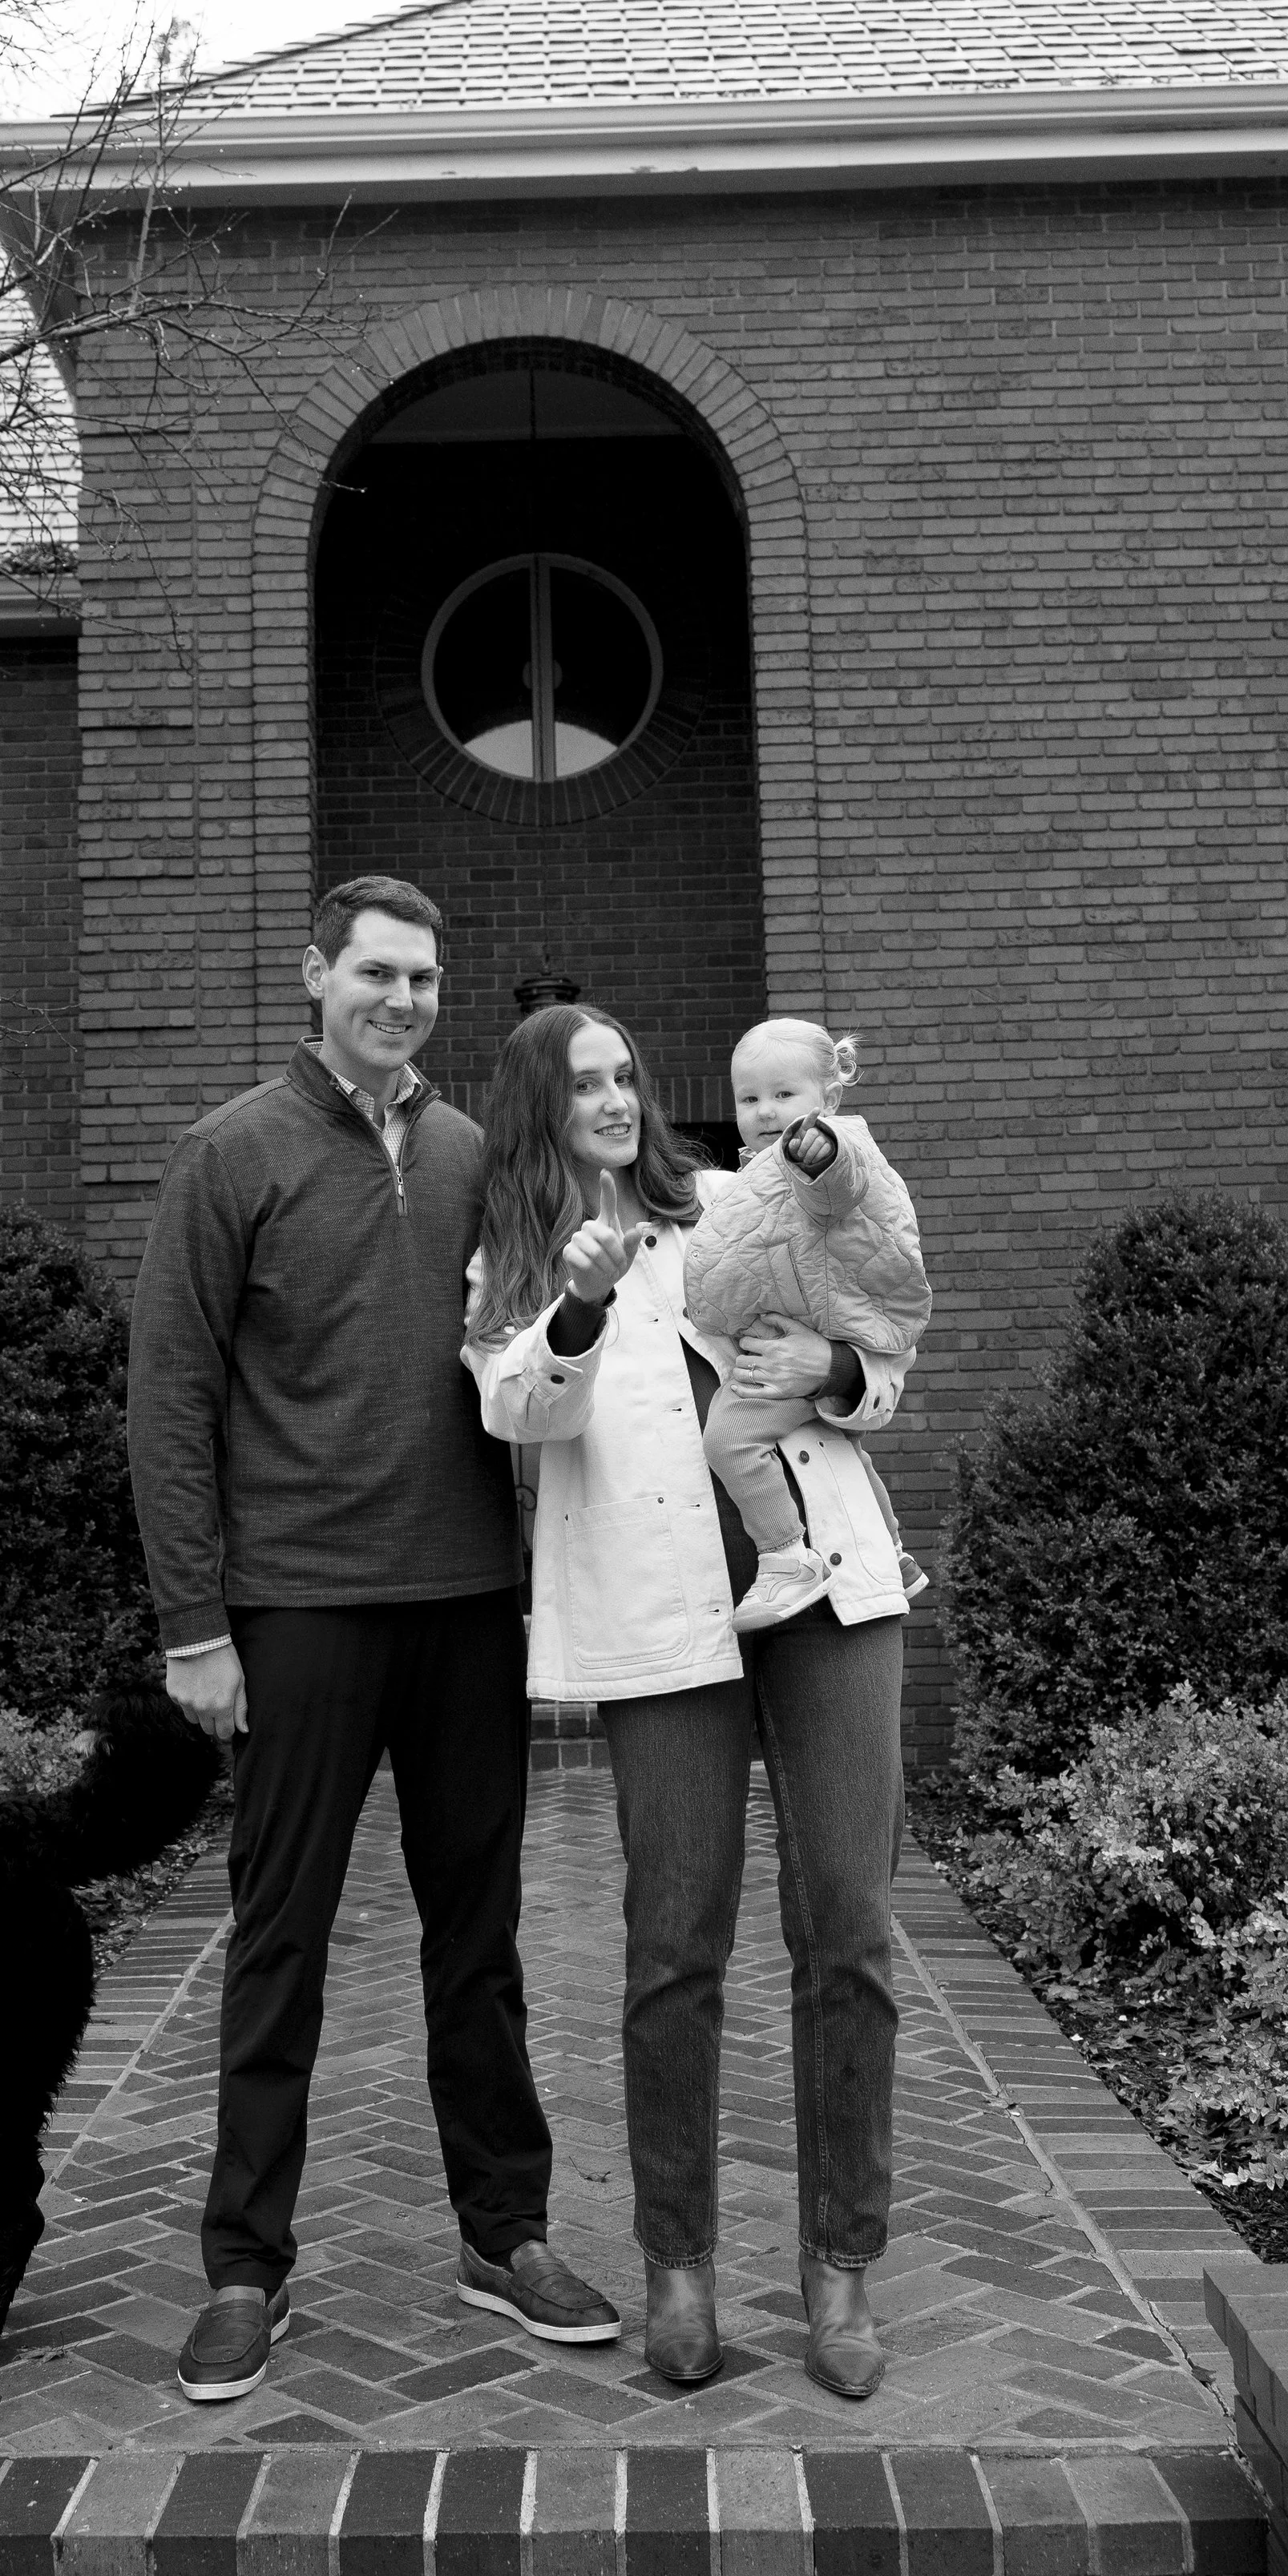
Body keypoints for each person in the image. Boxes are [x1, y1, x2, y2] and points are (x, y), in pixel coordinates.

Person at [128, 875, 618, 2405]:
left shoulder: (475, 1153)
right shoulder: (233, 1153)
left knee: (478, 1942)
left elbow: (556, 1325)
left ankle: (506, 2230)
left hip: (468, 1601)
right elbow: (171, 1401)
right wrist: (195, 1625)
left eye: (424, 978)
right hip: (299, 1614)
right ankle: (243, 2265)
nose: (402, 1001)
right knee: (279, 1942)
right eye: (377, 975)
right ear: (316, 978)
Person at [463, 1003, 913, 2400]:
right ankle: (679, 2267)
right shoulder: (512, 1265)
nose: (612, 1098)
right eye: (583, 1083)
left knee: (847, 1928)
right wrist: (583, 1299)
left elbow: (880, 1334)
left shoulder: (736, 1197)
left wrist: (837, 1374)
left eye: (626, 1076)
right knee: (674, 1950)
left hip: (826, 1590)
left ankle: (838, 2271)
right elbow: (515, 1413)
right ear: (540, 1110)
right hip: (667, 1633)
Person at [684, 1018, 931, 1631]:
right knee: (848, 1443)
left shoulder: (819, 1153)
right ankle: (896, 1551)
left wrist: (819, 1153)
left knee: (728, 1438)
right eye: (749, 1099)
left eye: (783, 1095)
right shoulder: (753, 1175)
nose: (766, 1112)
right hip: (816, 1331)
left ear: (830, 1098)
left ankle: (785, 1557)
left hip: (801, 1345)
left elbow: (836, 1186)